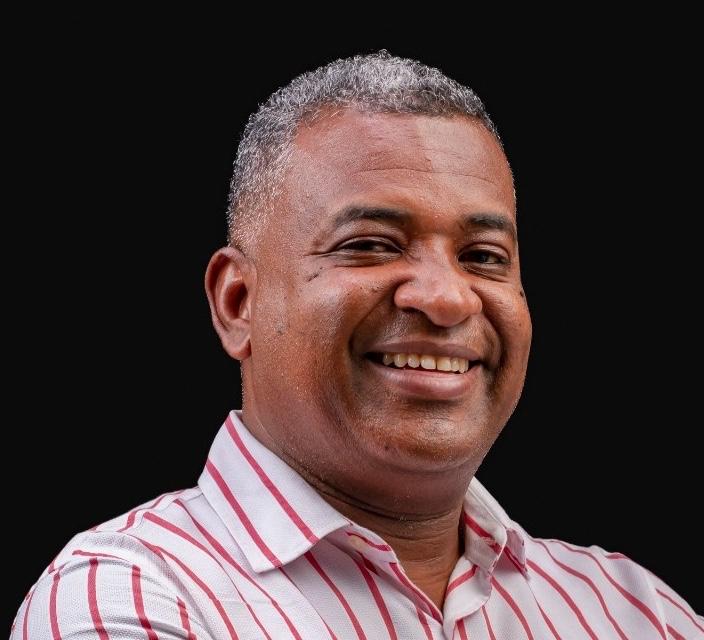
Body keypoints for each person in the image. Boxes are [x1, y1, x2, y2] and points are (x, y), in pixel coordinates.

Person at [12, 51, 702, 640]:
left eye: (484, 257)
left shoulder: (635, 611)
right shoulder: (128, 597)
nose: (447, 297)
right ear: (238, 302)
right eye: (370, 244)